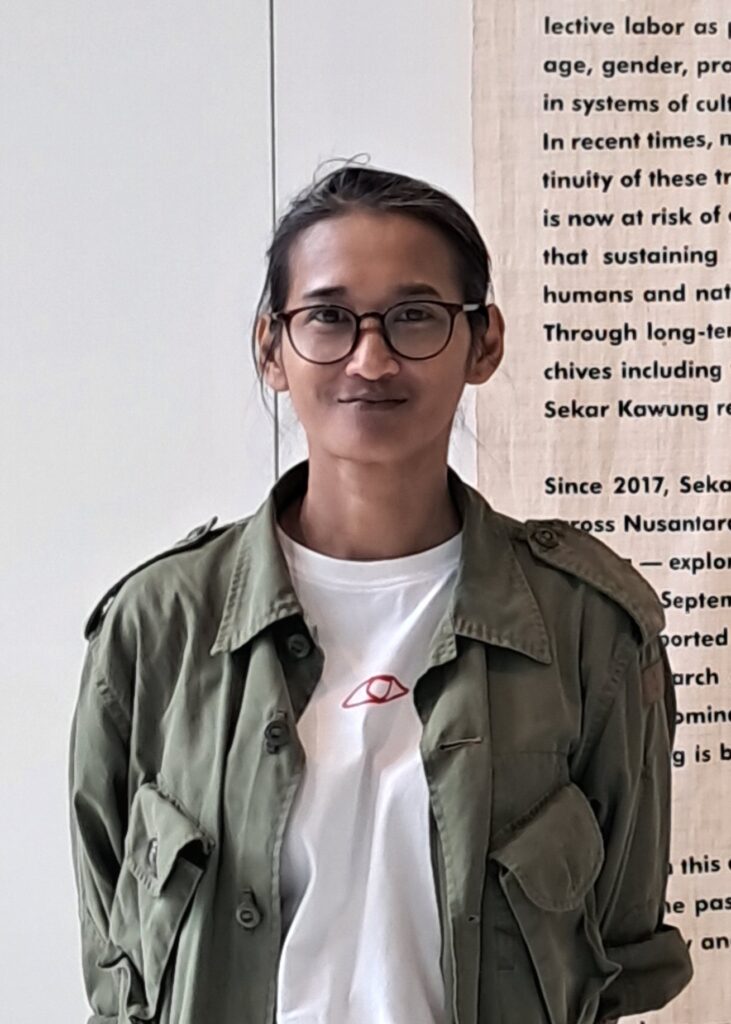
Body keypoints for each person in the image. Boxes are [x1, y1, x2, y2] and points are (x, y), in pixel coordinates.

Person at [68, 162, 693, 1024]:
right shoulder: (158, 627)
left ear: (483, 342)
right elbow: (119, 970)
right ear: (271, 347)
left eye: (414, 316)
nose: (371, 358)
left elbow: (617, 956)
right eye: (327, 316)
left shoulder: (588, 628)